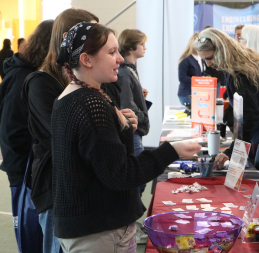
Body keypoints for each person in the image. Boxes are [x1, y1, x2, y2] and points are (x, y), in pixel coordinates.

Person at [51, 22, 201, 252]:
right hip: (100, 230)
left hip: (89, 226)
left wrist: (118, 125)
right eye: (112, 53)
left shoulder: (75, 95)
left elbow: (94, 154)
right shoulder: (91, 104)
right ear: (86, 60)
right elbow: (119, 174)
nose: (120, 59)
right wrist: (172, 150)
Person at [21, 8, 100, 253]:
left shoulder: (81, 78)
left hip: (83, 186)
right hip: (57, 189)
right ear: (68, 36)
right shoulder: (41, 83)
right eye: (93, 35)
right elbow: (61, 137)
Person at [193, 28, 259, 195]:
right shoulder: (243, 60)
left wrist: (232, 151)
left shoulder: (240, 73)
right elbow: (239, 106)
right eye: (204, 59)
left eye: (210, 58)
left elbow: (249, 116)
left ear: (222, 51)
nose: (208, 64)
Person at [0, 19, 54, 252]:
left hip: (30, 167)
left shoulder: (32, 74)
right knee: (29, 231)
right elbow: (12, 130)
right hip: (23, 169)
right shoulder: (23, 77)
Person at [115, 28, 150, 196]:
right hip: (133, 132)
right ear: (131, 46)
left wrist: (140, 97)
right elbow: (128, 106)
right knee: (139, 178)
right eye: (142, 44)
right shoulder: (125, 72)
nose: (145, 47)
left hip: (136, 131)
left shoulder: (129, 70)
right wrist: (143, 117)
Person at [177, 32, 204, 105]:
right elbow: (182, 77)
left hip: (196, 93)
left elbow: (200, 73)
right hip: (186, 94)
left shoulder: (200, 58)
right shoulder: (185, 59)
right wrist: (198, 80)